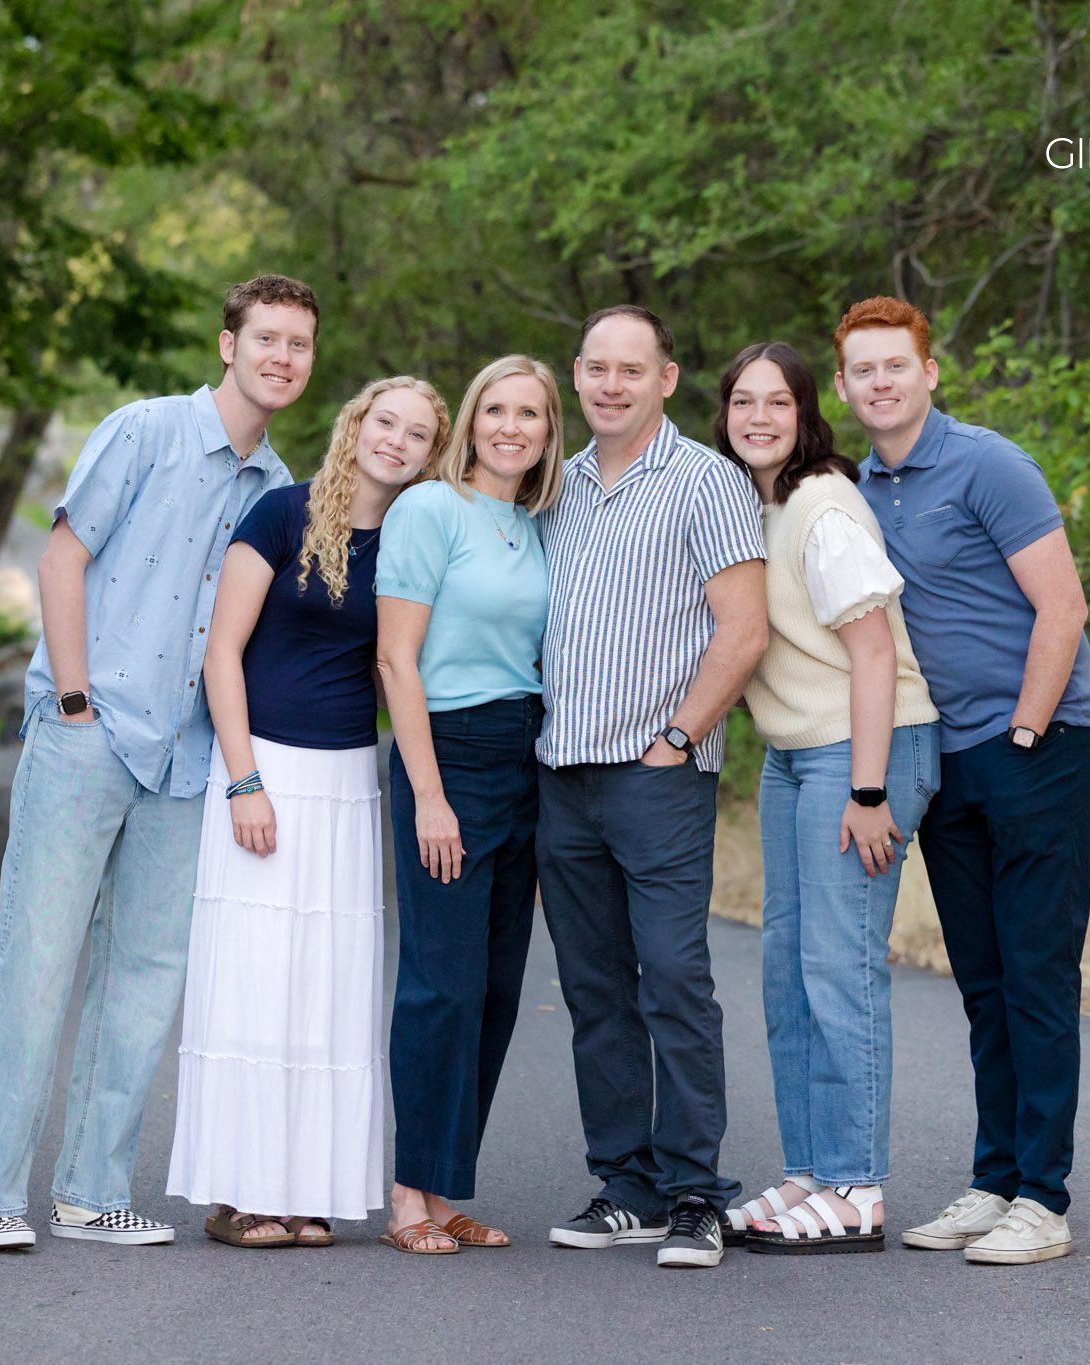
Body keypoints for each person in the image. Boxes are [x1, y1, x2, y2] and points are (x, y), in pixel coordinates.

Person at [0, 273, 316, 1251]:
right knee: (35, 964)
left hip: (185, 761)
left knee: (144, 978)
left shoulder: (280, 491)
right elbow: (62, 558)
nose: (282, 358)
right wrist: (72, 701)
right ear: (226, 344)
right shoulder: (146, 430)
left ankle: (90, 1190)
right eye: (267, 339)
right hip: (91, 733)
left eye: (299, 345)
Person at [837, 296, 1090, 1266]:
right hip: (941, 762)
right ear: (843, 387)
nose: (879, 382)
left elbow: (1061, 607)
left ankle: (1042, 1197)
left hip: (1039, 746)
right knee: (983, 982)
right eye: (861, 370)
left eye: (894, 366)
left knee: (1035, 975)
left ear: (927, 372)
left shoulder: (988, 464)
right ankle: (992, 1179)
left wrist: (1025, 730)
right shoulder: (858, 488)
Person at [167, 375, 448, 1250]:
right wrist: (245, 780)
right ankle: (239, 1194)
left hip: (347, 777)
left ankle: (307, 1191)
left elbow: (396, 669)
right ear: (356, 424)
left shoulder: (410, 541)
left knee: (326, 986)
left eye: (417, 434)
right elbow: (220, 654)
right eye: (384, 422)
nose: (395, 441)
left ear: (433, 456)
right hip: (265, 770)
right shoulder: (280, 515)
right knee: (254, 978)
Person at [536, 306, 767, 1270]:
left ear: (667, 379)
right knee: (595, 989)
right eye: (597, 368)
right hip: (560, 774)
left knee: (674, 979)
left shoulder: (706, 482)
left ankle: (694, 1194)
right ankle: (623, 1183)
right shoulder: (557, 486)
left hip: (655, 774)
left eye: (633, 369)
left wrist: (678, 738)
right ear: (578, 376)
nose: (612, 385)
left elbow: (743, 628)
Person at [711, 341, 941, 1255]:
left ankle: (857, 1184)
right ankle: (810, 1169)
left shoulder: (821, 507)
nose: (758, 417)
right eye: (742, 403)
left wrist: (870, 789)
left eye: (777, 402)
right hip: (797, 753)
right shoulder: (757, 504)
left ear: (808, 414)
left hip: (865, 749)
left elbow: (877, 651)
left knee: (839, 968)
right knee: (787, 970)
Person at [373, 355, 565, 1255]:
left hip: (521, 755)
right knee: (439, 987)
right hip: (446, 751)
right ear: (471, 421)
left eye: (529, 412)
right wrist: (429, 797)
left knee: (492, 990)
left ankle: (447, 1189)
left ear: (546, 429)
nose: (511, 426)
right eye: (496, 408)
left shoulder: (532, 524)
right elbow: (395, 660)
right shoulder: (430, 509)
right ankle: (407, 1197)